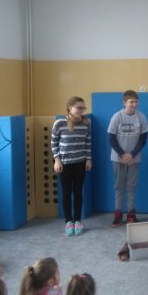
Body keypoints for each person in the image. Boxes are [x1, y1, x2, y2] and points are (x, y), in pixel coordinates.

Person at [51, 96, 93, 236]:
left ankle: (78, 220)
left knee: (78, 192)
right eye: (78, 108)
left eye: (83, 108)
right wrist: (57, 160)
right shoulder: (59, 123)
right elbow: (54, 142)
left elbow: (87, 142)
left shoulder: (86, 122)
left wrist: (88, 159)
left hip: (80, 163)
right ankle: (68, 221)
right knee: (66, 192)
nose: (81, 110)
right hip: (64, 164)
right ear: (69, 108)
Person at [107, 90, 148, 226]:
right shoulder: (117, 117)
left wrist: (132, 154)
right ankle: (118, 214)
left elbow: (143, 140)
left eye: (136, 102)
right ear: (124, 102)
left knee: (132, 186)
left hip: (134, 158)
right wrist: (122, 154)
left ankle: (131, 213)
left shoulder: (141, 117)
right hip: (118, 158)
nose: (134, 104)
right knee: (119, 186)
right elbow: (111, 139)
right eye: (131, 102)